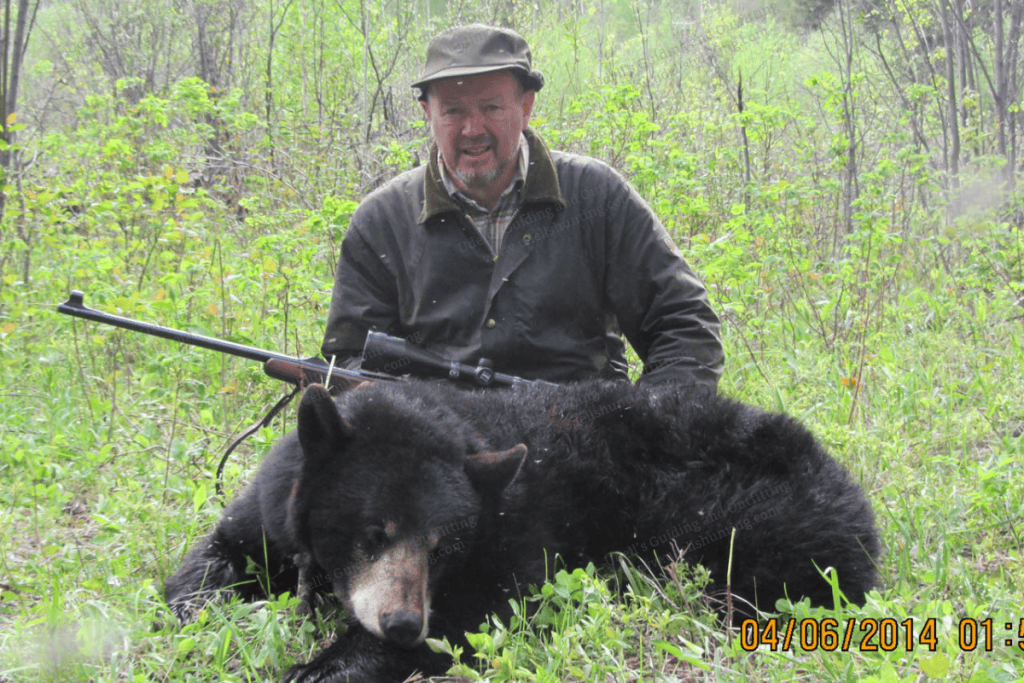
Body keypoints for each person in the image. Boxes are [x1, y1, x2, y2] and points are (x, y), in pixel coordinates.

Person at [321, 23, 724, 388]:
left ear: (526, 106)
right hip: (442, 451)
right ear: (428, 112)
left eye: (491, 108)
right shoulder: (381, 221)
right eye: (453, 111)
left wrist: (644, 425)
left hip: (582, 446)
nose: (472, 129)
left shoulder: (596, 196)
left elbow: (685, 326)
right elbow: (351, 358)